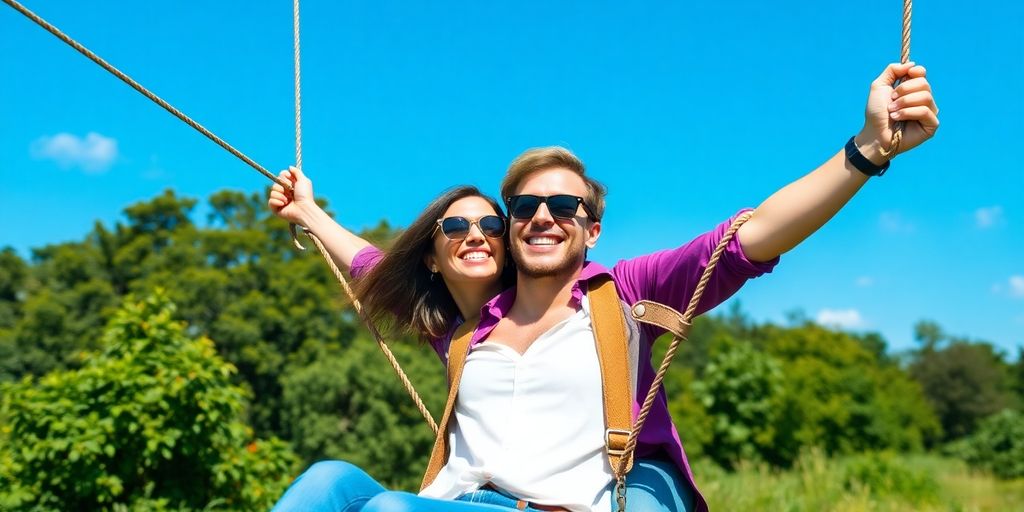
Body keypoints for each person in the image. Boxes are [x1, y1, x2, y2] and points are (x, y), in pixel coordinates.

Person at [271, 62, 939, 511]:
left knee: (386, 508)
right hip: (460, 501)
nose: (543, 217)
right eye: (526, 207)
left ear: (590, 231)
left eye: (565, 208)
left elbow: (753, 234)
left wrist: (866, 151)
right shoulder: (470, 323)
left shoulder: (625, 294)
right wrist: (308, 212)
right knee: (328, 480)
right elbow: (373, 267)